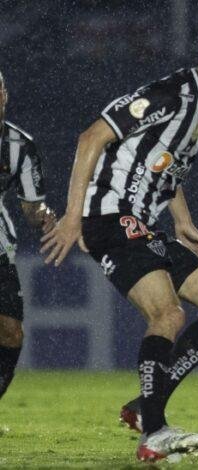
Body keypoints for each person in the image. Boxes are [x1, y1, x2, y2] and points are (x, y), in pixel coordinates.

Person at [40, 15, 198, 462]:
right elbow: (92, 138)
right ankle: (155, 430)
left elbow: (167, 166)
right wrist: (73, 217)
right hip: (109, 215)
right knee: (167, 313)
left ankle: (145, 406)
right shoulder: (171, 95)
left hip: (146, 223)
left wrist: (182, 220)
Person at [0, 70, 57, 400]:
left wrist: (48, 219)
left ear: (5, 95)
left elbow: (32, 210)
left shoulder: (20, 146)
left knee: (11, 333)